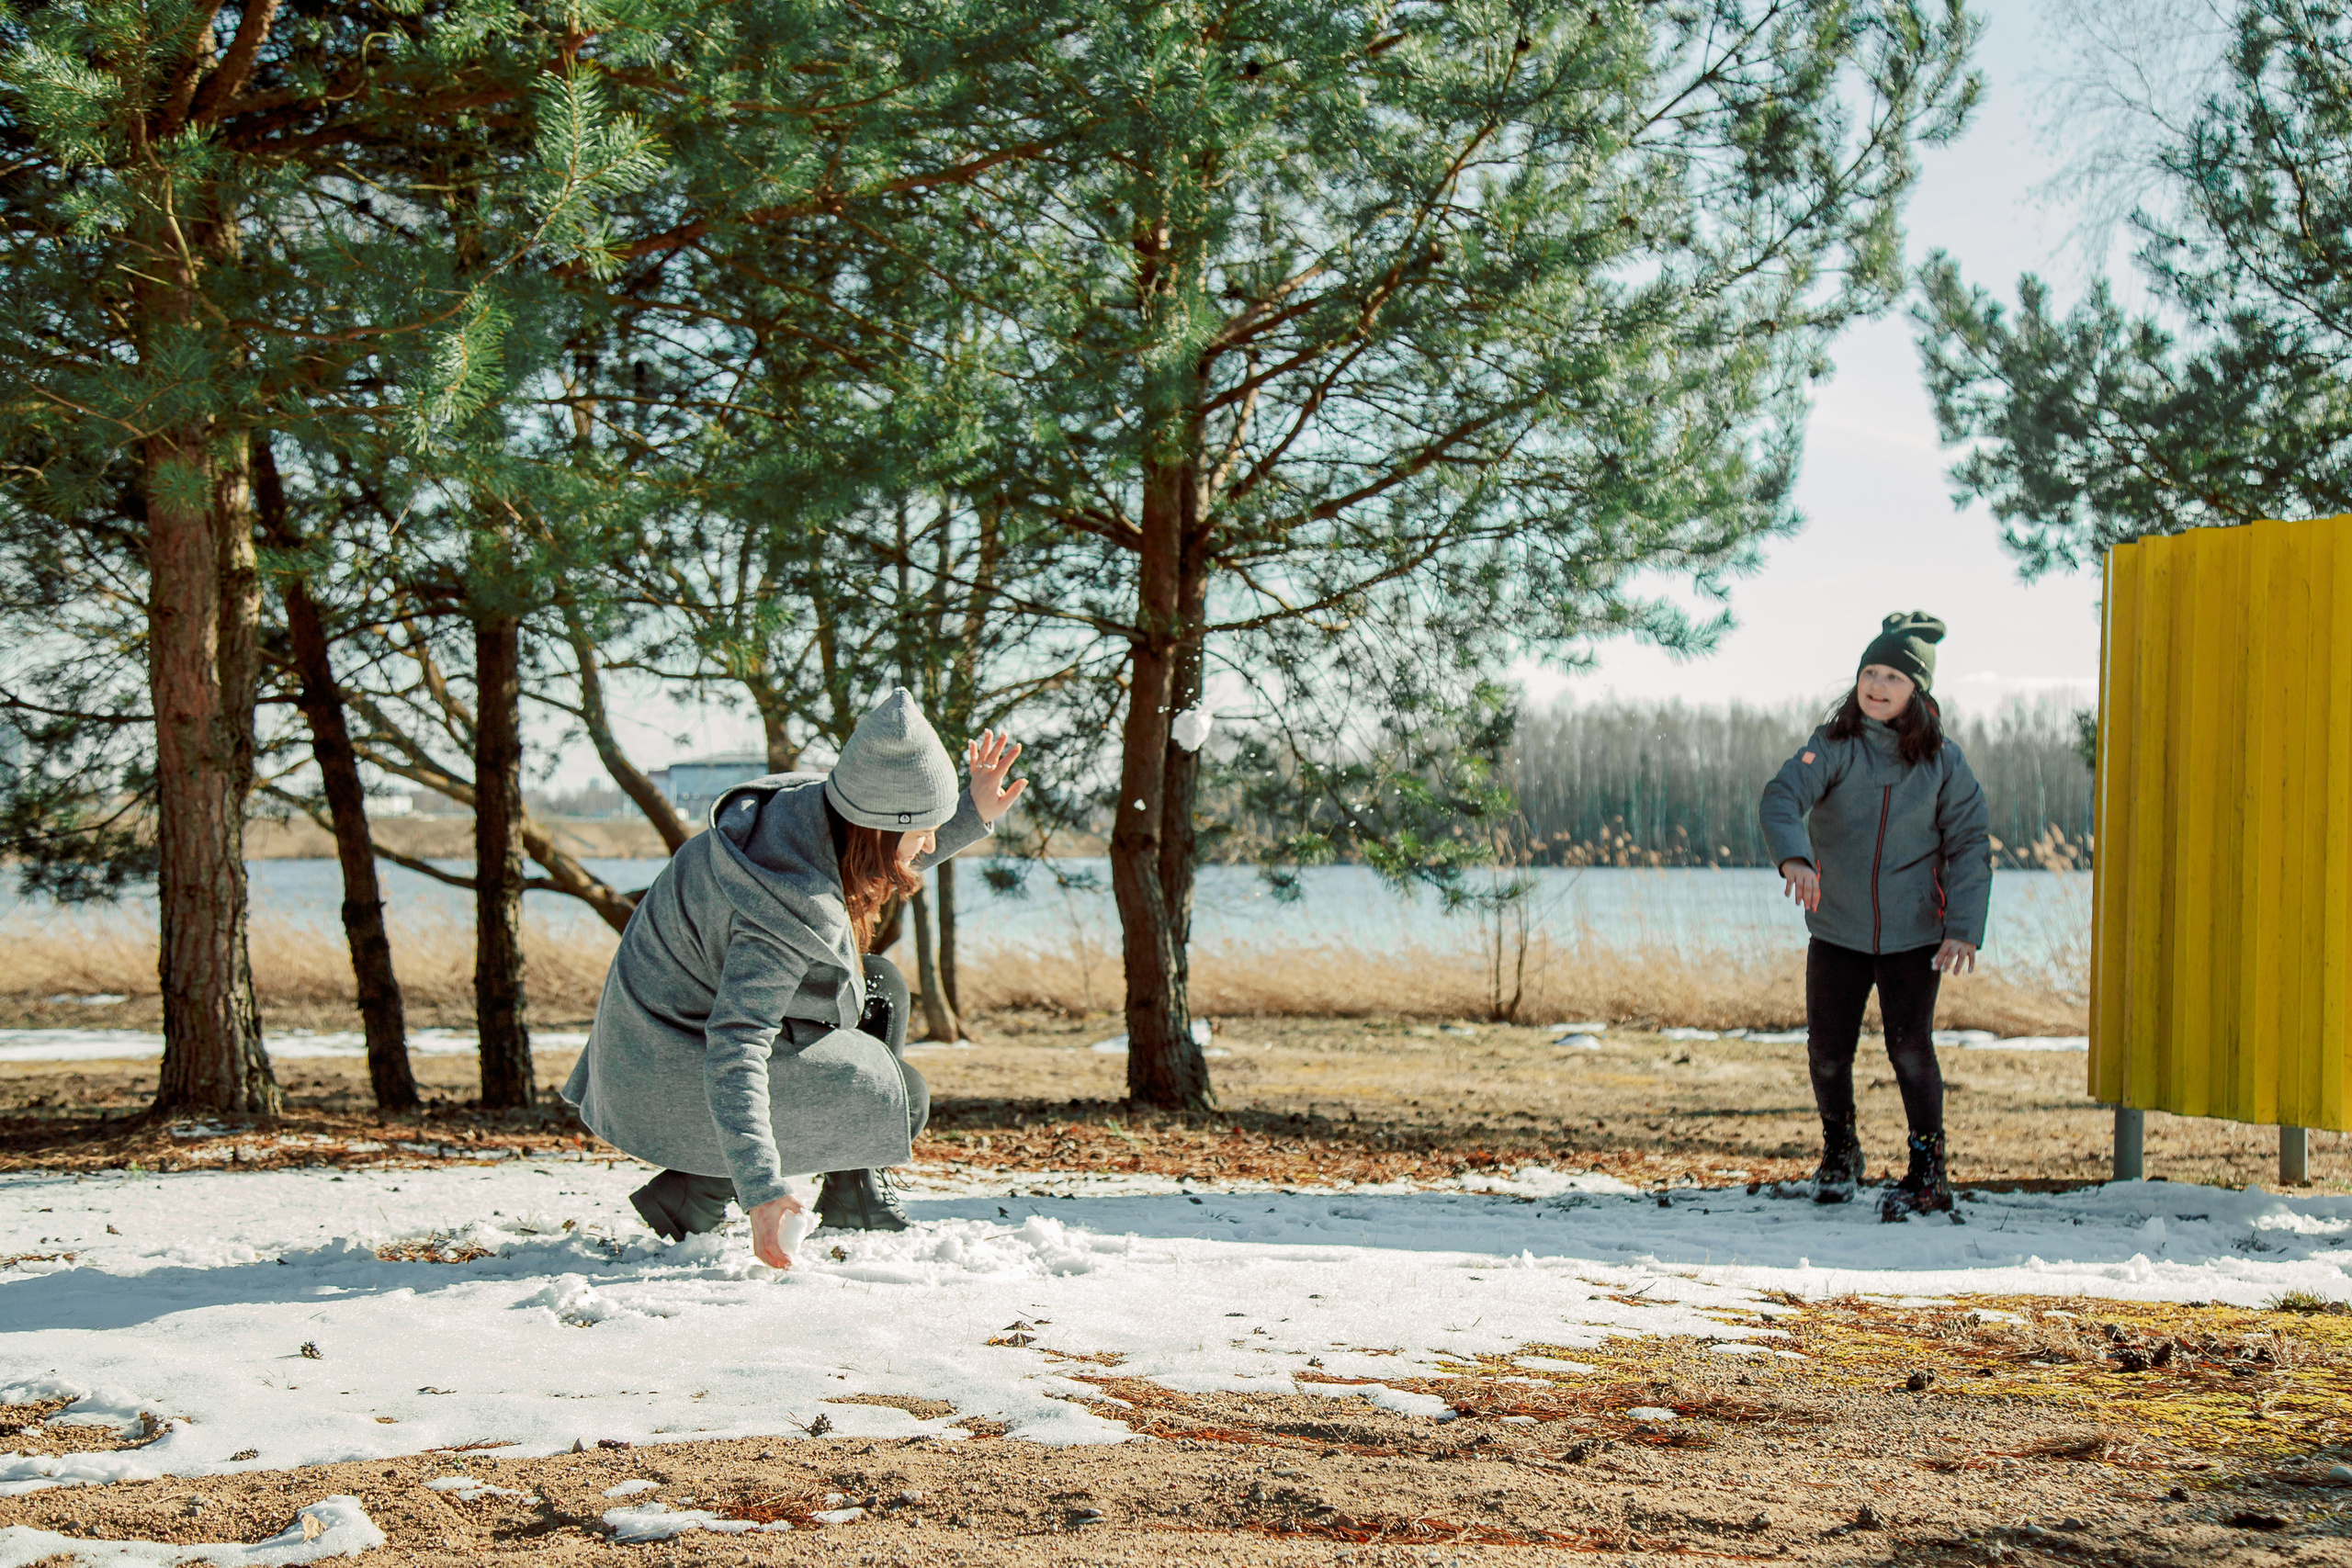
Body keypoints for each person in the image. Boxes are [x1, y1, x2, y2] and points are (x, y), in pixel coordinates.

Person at [561, 689, 1026, 1267]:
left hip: (658, 1040)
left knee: (879, 985)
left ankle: (845, 1191)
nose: (932, 843)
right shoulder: (785, 901)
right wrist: (761, 1188)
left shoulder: (804, 823)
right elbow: (736, 1044)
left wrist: (972, 811)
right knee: (901, 1096)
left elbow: (885, 857)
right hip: (669, 1070)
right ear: (879, 827)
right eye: (923, 829)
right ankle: (700, 1186)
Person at [1758, 612, 1991, 1222]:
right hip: (1837, 928)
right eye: (1870, 672)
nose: (1878, 685)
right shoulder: (1832, 746)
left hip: (1915, 936)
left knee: (1911, 1049)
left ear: (1918, 690)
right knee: (1827, 1052)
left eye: (1893, 675)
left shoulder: (1944, 762)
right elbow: (1783, 796)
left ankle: (1928, 1171)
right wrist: (1795, 857)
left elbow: (1969, 843)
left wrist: (1964, 926)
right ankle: (1840, 1151)